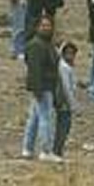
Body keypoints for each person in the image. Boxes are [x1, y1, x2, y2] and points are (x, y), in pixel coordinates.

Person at [22, 15, 61, 161]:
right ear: (37, 27)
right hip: (43, 87)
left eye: (48, 25)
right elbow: (35, 69)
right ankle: (46, 150)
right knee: (46, 119)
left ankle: (27, 149)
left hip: (45, 86)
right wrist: (37, 89)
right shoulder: (36, 45)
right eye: (43, 25)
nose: (46, 28)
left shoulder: (46, 44)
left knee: (34, 119)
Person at [54, 41, 79, 158]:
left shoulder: (68, 67)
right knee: (63, 127)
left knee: (64, 127)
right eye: (67, 53)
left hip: (65, 102)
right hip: (63, 102)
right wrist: (72, 104)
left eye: (72, 53)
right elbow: (66, 87)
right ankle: (57, 150)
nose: (70, 56)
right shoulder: (63, 68)